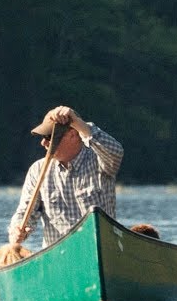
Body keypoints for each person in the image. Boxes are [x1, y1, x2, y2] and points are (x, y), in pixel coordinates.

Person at [8, 105, 123, 249]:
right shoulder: (37, 170)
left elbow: (116, 151)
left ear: (72, 135)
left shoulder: (100, 160)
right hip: (59, 255)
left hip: (101, 248)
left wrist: (78, 123)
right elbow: (25, 212)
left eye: (48, 137)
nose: (43, 143)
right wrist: (17, 230)